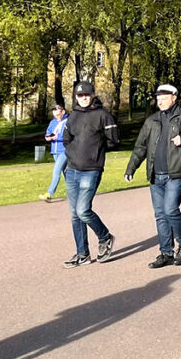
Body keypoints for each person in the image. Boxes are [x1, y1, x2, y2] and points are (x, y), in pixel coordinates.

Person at [125, 84, 181, 268]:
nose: (160, 101)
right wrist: (131, 168)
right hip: (156, 174)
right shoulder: (152, 120)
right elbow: (141, 146)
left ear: (174, 97)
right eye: (158, 99)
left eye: (164, 98)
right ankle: (166, 253)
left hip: (177, 171)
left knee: (170, 210)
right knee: (160, 214)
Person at [61, 81, 119, 268]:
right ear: (76, 97)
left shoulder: (103, 115)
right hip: (72, 170)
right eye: (80, 95)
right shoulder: (73, 116)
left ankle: (105, 237)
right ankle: (82, 254)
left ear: (93, 95)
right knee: (74, 214)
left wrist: (96, 151)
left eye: (87, 95)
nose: (84, 98)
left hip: (92, 170)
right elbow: (66, 139)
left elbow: (114, 140)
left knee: (83, 210)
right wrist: (73, 154)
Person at [40, 102, 69, 202]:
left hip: (64, 150)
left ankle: (49, 193)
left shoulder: (67, 121)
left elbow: (69, 135)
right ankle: (74, 191)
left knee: (56, 171)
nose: (56, 112)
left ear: (63, 111)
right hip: (55, 151)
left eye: (58, 110)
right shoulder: (52, 122)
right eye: (54, 110)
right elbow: (48, 132)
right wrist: (48, 137)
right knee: (64, 172)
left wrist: (58, 137)